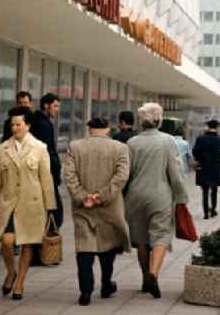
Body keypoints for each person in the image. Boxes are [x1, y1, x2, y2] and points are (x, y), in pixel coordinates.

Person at [0, 108, 56, 301]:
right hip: (8, 205)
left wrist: (51, 207)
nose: (14, 127)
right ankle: (10, 272)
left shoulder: (40, 147)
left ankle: (20, 282)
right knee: (6, 241)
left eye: (18, 124)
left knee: (27, 245)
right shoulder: (3, 148)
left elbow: (46, 179)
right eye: (12, 124)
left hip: (32, 205)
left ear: (28, 125)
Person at [65, 116, 131, 306]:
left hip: (82, 207)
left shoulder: (75, 147)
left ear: (89, 129)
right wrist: (101, 196)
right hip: (109, 206)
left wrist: (83, 196)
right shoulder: (120, 148)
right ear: (108, 129)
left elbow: (69, 176)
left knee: (84, 247)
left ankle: (85, 292)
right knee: (108, 246)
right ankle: (105, 284)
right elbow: (121, 176)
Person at [125, 102, 188, 299]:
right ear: (159, 120)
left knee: (141, 239)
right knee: (160, 235)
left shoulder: (132, 143)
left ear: (140, 121)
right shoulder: (168, 141)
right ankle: (154, 273)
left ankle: (145, 278)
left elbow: (126, 174)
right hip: (160, 195)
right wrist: (181, 197)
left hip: (135, 195)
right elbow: (175, 172)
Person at [31, 92, 64, 229]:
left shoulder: (38, 121)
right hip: (45, 172)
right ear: (46, 105)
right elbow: (46, 150)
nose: (57, 109)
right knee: (55, 211)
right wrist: (55, 170)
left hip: (41, 171)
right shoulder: (43, 124)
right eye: (55, 106)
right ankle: (47, 239)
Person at [192, 119, 220, 218]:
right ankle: (213, 210)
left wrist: (199, 159)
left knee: (205, 190)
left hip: (203, 167)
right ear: (217, 127)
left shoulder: (200, 138)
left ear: (207, 126)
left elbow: (195, 151)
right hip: (215, 167)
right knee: (214, 189)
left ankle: (206, 212)